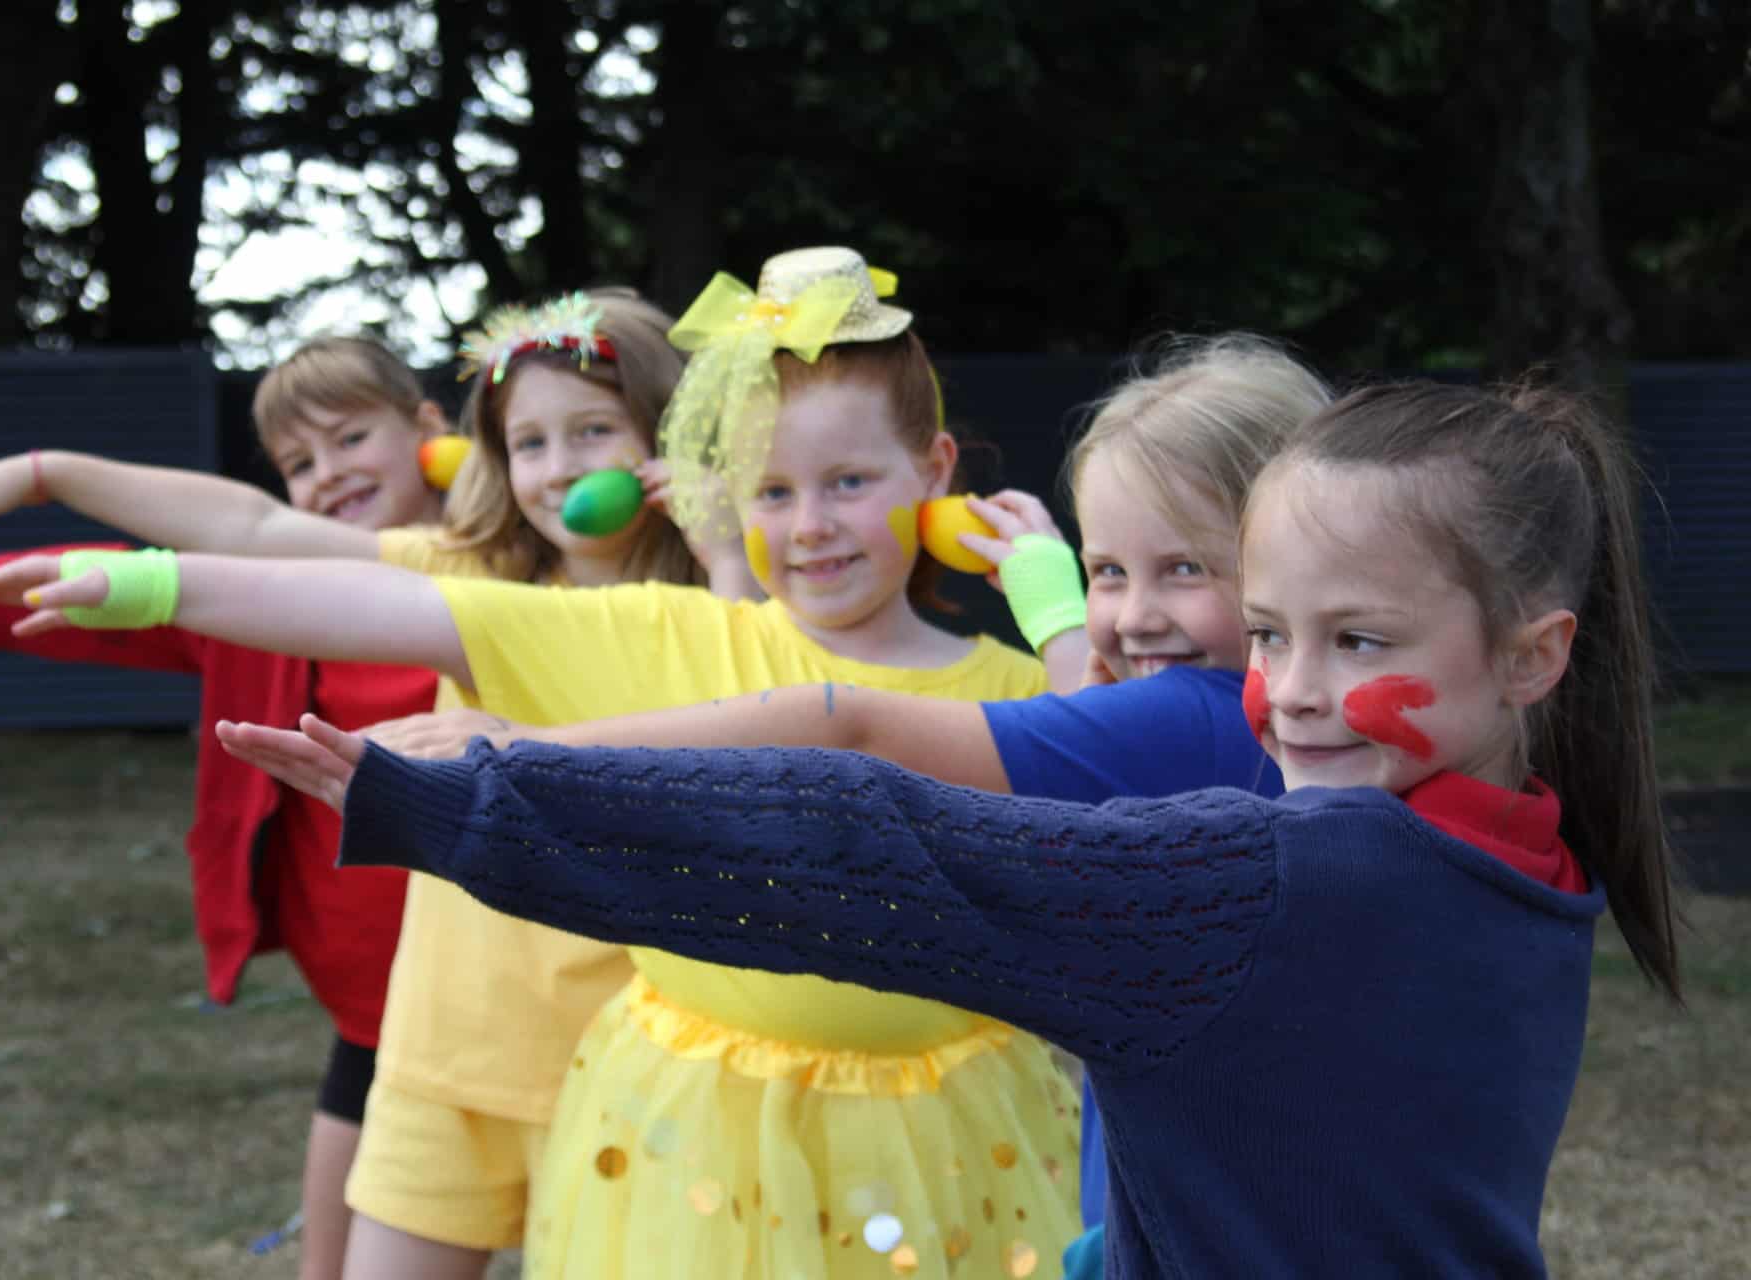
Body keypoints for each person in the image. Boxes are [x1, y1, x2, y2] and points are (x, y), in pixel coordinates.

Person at [219, 379, 1682, 1277]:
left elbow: (874, 849)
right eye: (1276, 634)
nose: (1291, 697)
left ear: (1534, 653)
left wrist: (481, 796)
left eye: (1360, 642)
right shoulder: (1538, 861)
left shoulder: (1273, 883)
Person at [0, 247, 1083, 1279]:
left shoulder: (1014, 681)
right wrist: (159, 580)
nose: (812, 527)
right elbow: (384, 598)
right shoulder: (675, 634)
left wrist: (1059, 609)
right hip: (690, 1132)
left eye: (850, 482)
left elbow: (1129, 799)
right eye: (774, 493)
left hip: (945, 1145)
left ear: (933, 468)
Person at [303, 332, 1333, 1265]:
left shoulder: (1199, 716)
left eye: (1184, 568)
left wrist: (527, 748)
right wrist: (1063, 617)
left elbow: (854, 725)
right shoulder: (1309, 737)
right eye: (1110, 569)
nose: (1138, 613)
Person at [0, 295, 720, 1280]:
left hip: (638, 1055)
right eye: (528, 442)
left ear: (668, 437)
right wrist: (60, 479)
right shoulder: (472, 569)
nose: (560, 467)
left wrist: (727, 535)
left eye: (594, 431)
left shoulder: (728, 607)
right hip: (445, 1050)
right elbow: (257, 528)